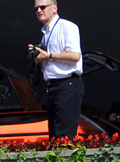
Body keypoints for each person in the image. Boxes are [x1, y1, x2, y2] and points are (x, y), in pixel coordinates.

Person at [28, 0, 83, 139]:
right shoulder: (45, 34)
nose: (39, 10)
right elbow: (46, 68)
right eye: (36, 9)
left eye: (42, 7)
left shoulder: (67, 27)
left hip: (67, 84)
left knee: (64, 137)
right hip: (52, 86)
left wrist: (49, 56)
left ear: (54, 8)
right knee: (53, 136)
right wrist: (39, 58)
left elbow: (75, 56)